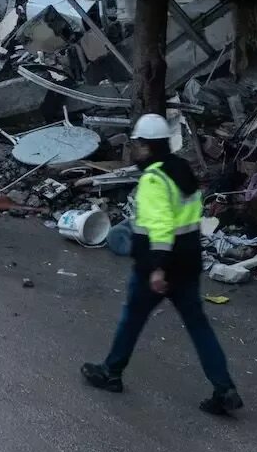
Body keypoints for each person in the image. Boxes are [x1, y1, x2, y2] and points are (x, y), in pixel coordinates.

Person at [81, 115, 244, 417]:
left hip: (157, 268)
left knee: (132, 318)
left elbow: (160, 226)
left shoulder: (155, 179)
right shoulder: (182, 172)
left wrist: (157, 267)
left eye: (138, 144)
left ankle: (111, 372)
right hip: (188, 262)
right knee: (198, 326)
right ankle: (224, 387)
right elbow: (189, 220)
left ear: (148, 146)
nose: (135, 150)